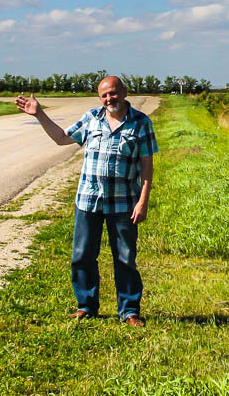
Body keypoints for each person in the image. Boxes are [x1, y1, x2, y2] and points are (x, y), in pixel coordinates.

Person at [15, 75, 157, 327]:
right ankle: (86, 306)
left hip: (124, 203)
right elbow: (61, 137)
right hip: (88, 200)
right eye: (104, 95)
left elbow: (147, 166)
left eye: (113, 93)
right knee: (82, 255)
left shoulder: (140, 123)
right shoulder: (91, 118)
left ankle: (129, 311)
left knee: (124, 258)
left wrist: (142, 201)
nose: (108, 99)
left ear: (124, 92)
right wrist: (39, 115)